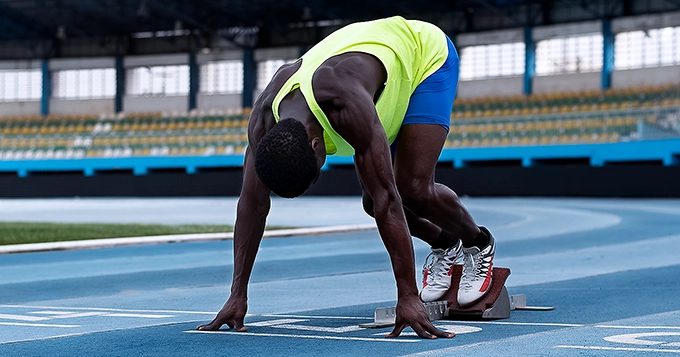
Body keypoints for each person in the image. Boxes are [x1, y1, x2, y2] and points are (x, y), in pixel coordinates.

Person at [197, 16, 496, 339]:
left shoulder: (344, 104)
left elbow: (389, 199)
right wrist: (237, 293)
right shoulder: (263, 123)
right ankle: (445, 244)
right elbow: (251, 205)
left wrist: (407, 296)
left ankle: (478, 244)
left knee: (411, 189)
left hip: (423, 57)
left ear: (315, 145)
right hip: (369, 65)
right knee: (369, 202)